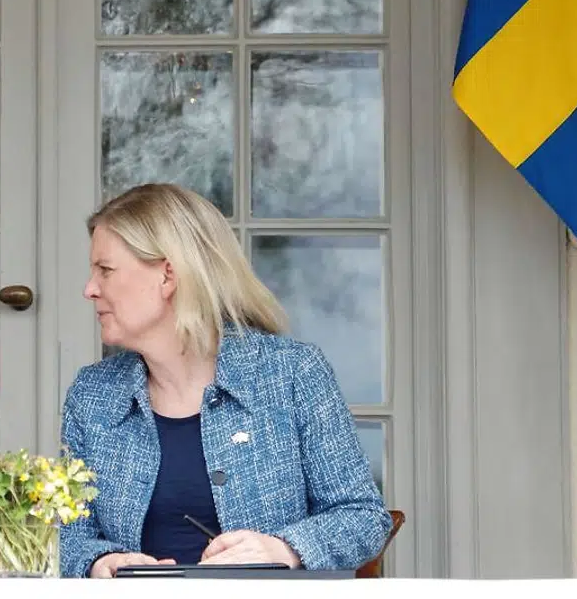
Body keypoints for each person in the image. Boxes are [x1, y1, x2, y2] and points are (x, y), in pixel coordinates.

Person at [59, 183, 392, 578]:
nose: (89, 289)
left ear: (168, 275)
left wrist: (282, 548)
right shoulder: (93, 395)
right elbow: (67, 537)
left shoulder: (292, 374)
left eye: (106, 270)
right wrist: (100, 562)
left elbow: (362, 517)